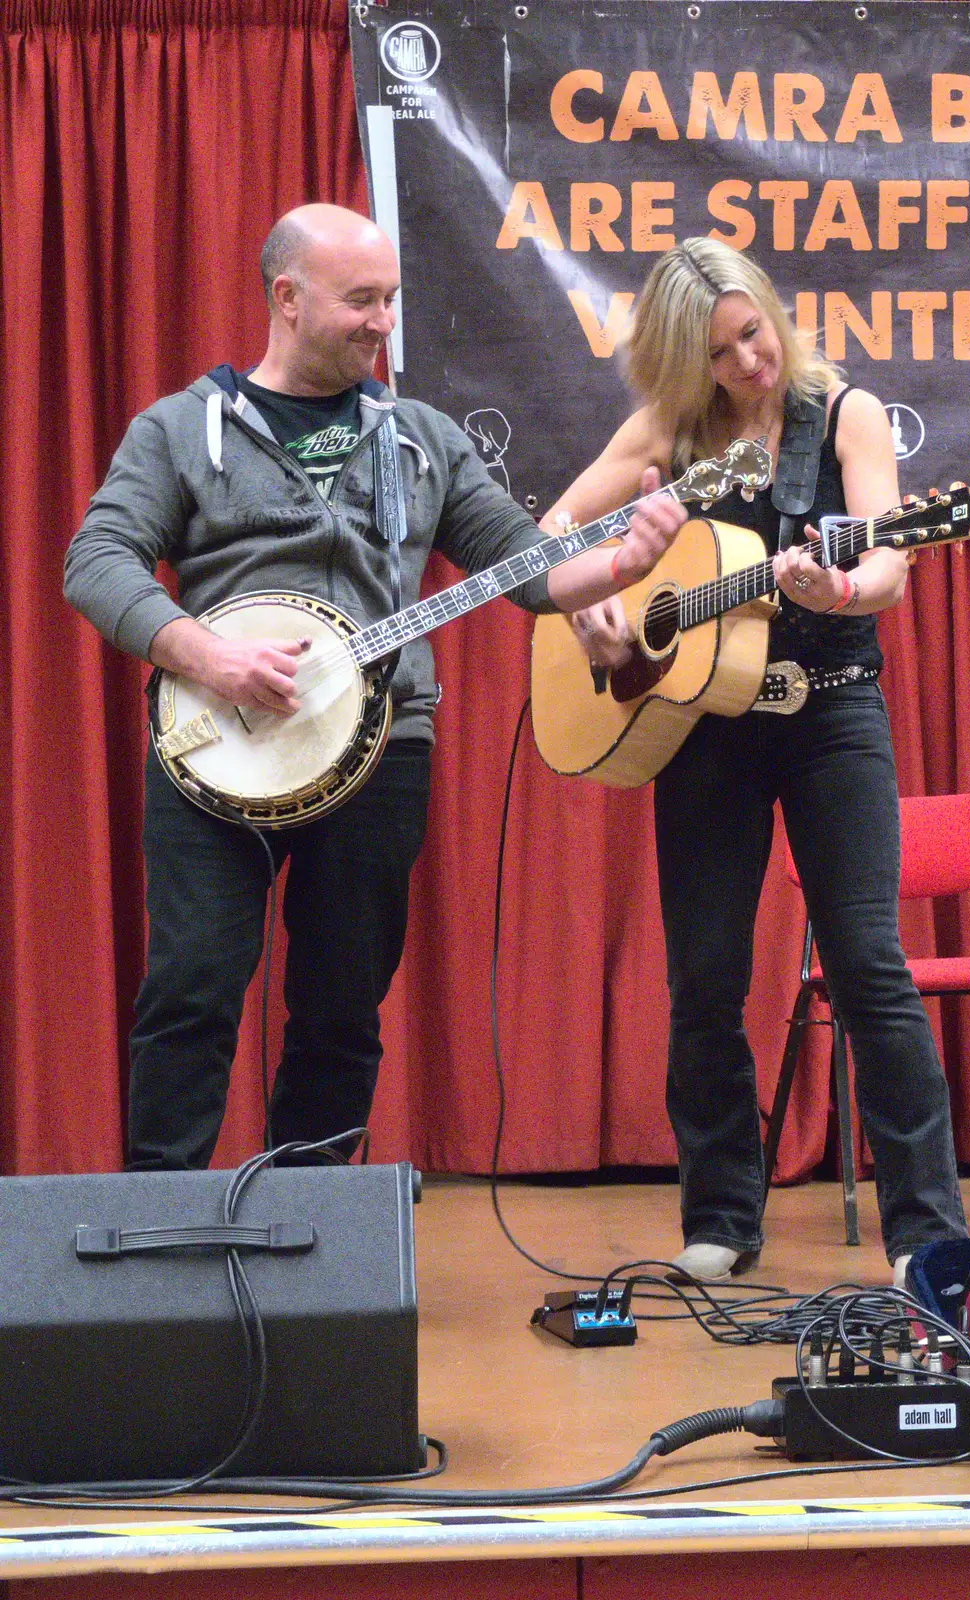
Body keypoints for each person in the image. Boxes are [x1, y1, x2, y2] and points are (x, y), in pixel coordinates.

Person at [64, 203, 685, 1171]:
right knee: (189, 988)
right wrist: (200, 652)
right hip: (212, 750)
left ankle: (309, 1231)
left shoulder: (423, 437)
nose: (381, 321)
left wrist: (610, 567)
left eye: (390, 299)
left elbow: (518, 563)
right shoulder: (181, 428)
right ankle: (164, 1242)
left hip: (378, 751)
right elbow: (95, 559)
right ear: (286, 297)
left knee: (342, 1002)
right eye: (360, 300)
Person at [542, 238, 968, 1284]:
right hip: (704, 731)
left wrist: (841, 588)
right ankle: (721, 1221)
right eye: (722, 351)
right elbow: (551, 524)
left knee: (869, 964)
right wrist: (592, 595)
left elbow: (884, 562)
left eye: (753, 331)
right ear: (685, 363)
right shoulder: (668, 431)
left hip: (830, 714)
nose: (750, 360)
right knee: (703, 978)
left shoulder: (847, 414)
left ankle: (925, 1235)